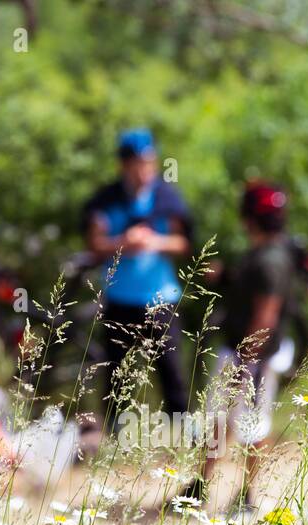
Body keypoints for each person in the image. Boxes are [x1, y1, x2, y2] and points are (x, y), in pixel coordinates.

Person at [185, 180, 299, 511]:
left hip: (252, 359)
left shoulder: (270, 261)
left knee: (251, 427)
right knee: (220, 421)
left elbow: (265, 318)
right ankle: (199, 487)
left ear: (248, 217)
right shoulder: (266, 254)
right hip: (241, 354)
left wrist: (244, 364)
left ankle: (247, 497)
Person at [82, 128, 194, 429]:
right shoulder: (107, 200)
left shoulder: (166, 195)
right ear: (124, 165)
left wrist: (154, 242)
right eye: (138, 164)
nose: (145, 170)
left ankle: (183, 435)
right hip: (120, 299)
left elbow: (183, 242)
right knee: (117, 375)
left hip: (161, 300)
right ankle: (114, 441)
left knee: (172, 375)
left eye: (149, 162)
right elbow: (94, 242)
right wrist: (123, 243)